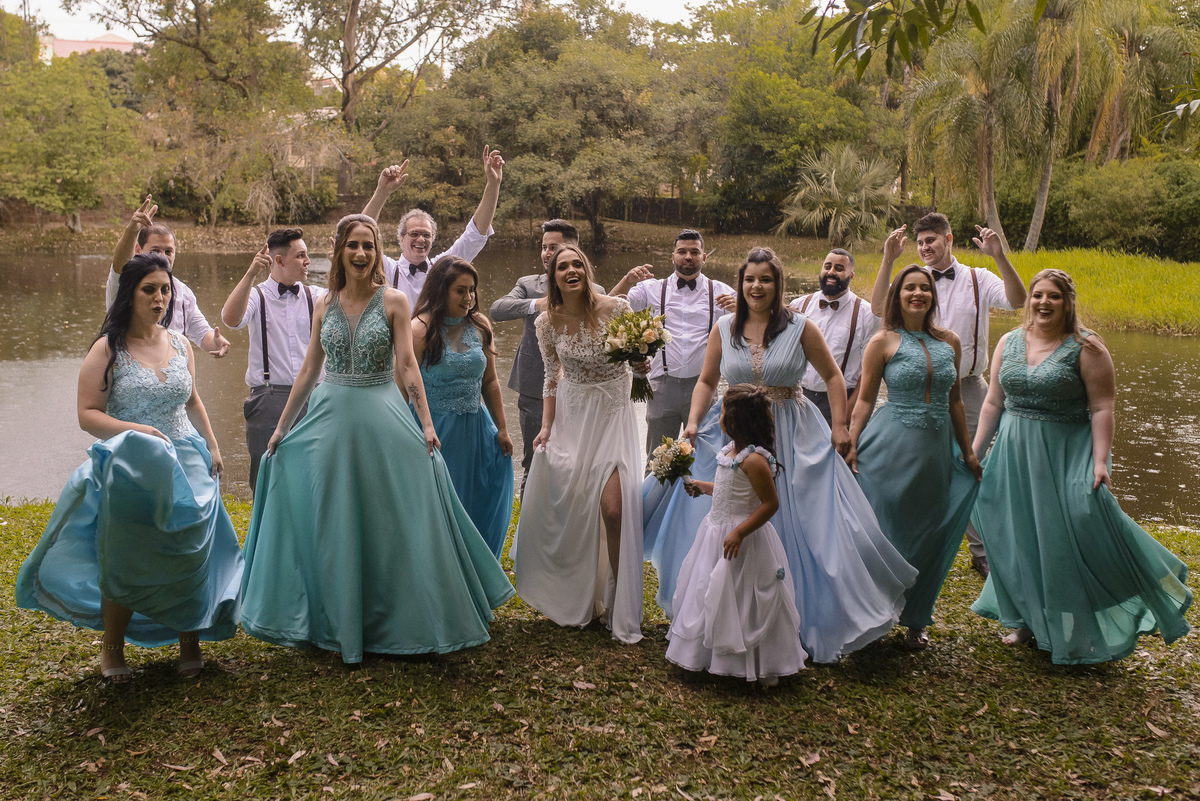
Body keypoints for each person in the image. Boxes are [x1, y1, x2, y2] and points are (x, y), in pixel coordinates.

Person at [239, 215, 515, 664]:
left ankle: (394, 615)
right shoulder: (323, 303)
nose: (362, 254)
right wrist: (281, 428)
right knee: (333, 515)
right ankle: (329, 616)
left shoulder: (394, 302)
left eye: (369, 245)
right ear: (340, 250)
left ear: (377, 250)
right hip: (330, 417)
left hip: (380, 410)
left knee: (389, 515)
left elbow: (407, 365)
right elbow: (310, 369)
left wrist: (425, 423)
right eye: (353, 245)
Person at [643, 247, 917, 664]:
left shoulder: (802, 327)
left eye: (765, 279)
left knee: (799, 518)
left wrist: (840, 426)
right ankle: (717, 613)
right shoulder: (723, 326)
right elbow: (706, 380)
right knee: (714, 515)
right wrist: (695, 423)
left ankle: (800, 619)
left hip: (791, 430)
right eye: (750, 279)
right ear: (741, 283)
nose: (756, 286)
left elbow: (833, 376)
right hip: (731, 428)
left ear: (778, 284)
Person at [17, 253, 243, 681]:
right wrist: (136, 429)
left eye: (165, 290)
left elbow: (192, 400)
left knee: (187, 552)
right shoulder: (108, 348)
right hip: (133, 467)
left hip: (187, 458)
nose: (160, 298)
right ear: (130, 293)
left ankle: (189, 640)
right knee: (127, 555)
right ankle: (112, 649)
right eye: (149, 289)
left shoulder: (179, 343)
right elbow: (87, 413)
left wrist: (213, 445)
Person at [969, 269, 1191, 664]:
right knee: (1019, 535)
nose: (1043, 302)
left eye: (1053, 296)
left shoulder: (1087, 347)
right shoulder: (1008, 341)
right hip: (1013, 454)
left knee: (1073, 528)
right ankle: (1025, 619)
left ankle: (1123, 593)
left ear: (1068, 302)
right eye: (1038, 295)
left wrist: (1100, 461)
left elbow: (1103, 408)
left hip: (1066, 452)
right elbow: (992, 404)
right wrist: (976, 450)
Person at [871, 213, 1026, 578]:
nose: (925, 248)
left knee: (972, 465)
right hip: (915, 391)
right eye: (920, 242)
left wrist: (999, 257)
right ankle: (907, 543)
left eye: (931, 241)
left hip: (968, 389)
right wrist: (888, 259)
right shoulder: (910, 282)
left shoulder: (977, 277)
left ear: (949, 239)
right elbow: (878, 309)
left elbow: (1017, 301)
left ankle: (982, 550)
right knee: (916, 468)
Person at [509, 244, 647, 644]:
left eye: (577, 264)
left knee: (614, 509)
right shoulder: (545, 322)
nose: (571, 270)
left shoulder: (617, 309)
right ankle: (572, 591)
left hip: (613, 413)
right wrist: (547, 427)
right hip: (572, 414)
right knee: (574, 507)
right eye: (561, 266)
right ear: (553, 277)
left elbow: (639, 365)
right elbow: (552, 378)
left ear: (587, 269)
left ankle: (619, 601)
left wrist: (642, 366)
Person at [846, 265, 983, 651]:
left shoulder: (950, 342)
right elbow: (867, 399)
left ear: (932, 298)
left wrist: (968, 452)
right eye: (910, 288)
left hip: (936, 451)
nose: (917, 294)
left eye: (924, 288)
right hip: (891, 446)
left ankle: (916, 619)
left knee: (929, 534)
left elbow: (956, 400)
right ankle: (871, 615)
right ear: (898, 295)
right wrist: (852, 441)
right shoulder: (882, 342)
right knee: (885, 531)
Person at [666, 384, 807, 685]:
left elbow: (769, 504)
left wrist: (740, 532)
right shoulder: (730, 452)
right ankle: (705, 655)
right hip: (715, 533)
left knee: (742, 597)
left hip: (742, 540)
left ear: (736, 419)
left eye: (724, 410)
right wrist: (704, 487)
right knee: (710, 590)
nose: (719, 414)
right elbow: (732, 493)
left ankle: (747, 662)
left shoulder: (755, 460)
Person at [488, 219, 604, 499]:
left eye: (554, 247)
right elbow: (497, 309)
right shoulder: (528, 284)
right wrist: (537, 304)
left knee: (577, 460)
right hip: (534, 387)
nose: (547, 253)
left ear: (575, 250)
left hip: (580, 389)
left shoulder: (595, 291)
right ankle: (529, 523)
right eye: (544, 247)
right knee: (535, 459)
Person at [411, 255, 515, 558]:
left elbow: (491, 382)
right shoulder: (420, 329)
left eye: (473, 290)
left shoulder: (480, 325)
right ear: (441, 289)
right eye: (461, 290)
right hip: (436, 430)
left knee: (477, 498)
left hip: (476, 427)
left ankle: (474, 570)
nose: (469, 298)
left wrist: (503, 429)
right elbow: (404, 384)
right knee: (440, 505)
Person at [610, 229, 736, 455]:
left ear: (704, 257)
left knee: (703, 457)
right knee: (656, 458)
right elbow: (611, 309)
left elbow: (757, 321)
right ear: (673, 256)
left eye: (695, 252)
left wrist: (739, 311)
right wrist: (627, 280)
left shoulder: (720, 292)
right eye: (682, 251)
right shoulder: (652, 289)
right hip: (662, 386)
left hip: (703, 386)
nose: (688, 256)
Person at [221, 228, 327, 491]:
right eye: (301, 255)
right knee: (266, 475)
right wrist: (249, 275)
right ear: (278, 261)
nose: (308, 261)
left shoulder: (317, 296)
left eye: (307, 255)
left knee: (316, 475)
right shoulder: (257, 295)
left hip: (315, 397)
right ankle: (264, 530)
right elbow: (230, 320)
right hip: (268, 398)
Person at [361, 148, 505, 306]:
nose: (421, 239)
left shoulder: (443, 268)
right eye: (414, 233)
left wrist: (494, 184)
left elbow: (475, 235)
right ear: (401, 238)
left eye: (426, 235)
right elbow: (362, 234)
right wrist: (382, 191)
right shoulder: (387, 269)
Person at [106, 195, 231, 358]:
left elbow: (201, 333)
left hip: (172, 375)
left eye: (168, 251)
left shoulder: (183, 292)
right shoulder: (127, 284)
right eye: (155, 250)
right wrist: (131, 231)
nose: (163, 256)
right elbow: (120, 264)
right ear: (138, 250)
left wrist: (216, 342)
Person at [789, 248, 879, 428]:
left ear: (851, 276)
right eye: (827, 266)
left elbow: (868, 374)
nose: (831, 272)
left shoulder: (866, 314)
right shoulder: (798, 306)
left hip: (841, 403)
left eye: (839, 268)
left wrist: (848, 414)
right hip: (798, 398)